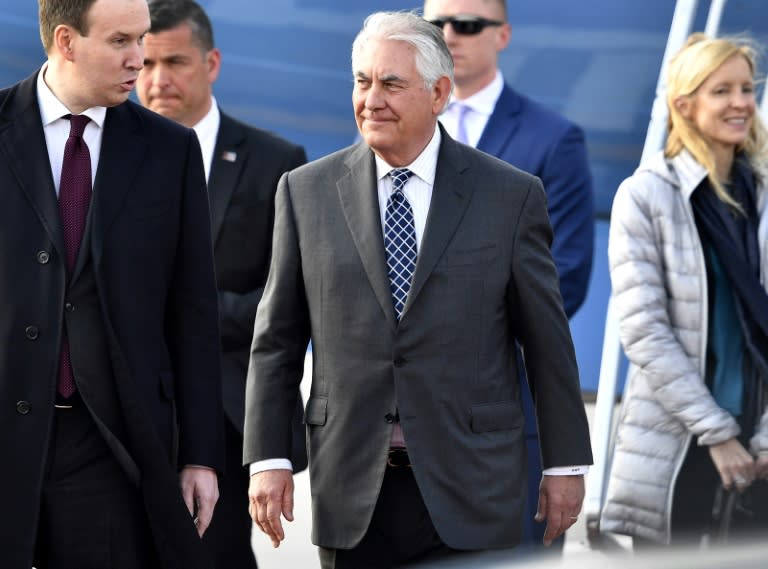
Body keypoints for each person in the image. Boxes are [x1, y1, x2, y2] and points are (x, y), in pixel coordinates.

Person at [244, 10, 592, 569]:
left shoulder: (509, 196)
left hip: (474, 485)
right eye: (362, 81)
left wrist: (565, 464)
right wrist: (267, 458)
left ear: (439, 94)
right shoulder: (305, 193)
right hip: (353, 489)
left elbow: (548, 341)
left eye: (391, 84)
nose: (372, 99)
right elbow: (277, 342)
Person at [0, 0, 225, 567]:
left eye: (141, 39)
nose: (139, 59)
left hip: (111, 446)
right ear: (67, 42)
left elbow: (193, 312)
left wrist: (200, 455)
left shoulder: (170, 150)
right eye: (121, 41)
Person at [136, 1, 308, 567]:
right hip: (126, 408)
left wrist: (184, 315)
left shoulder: (275, 162)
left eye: (175, 62)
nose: (158, 80)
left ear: (211, 63)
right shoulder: (105, 152)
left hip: (228, 416)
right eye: (145, 62)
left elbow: (288, 301)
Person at [422, 0, 595, 549]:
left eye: (468, 24)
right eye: (436, 24)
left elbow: (565, 276)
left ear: (503, 36)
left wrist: (449, 333)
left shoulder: (552, 139)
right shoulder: (388, 124)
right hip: (403, 419)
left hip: (506, 407)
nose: (450, 35)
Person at [601, 33, 768, 547]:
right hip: (677, 436)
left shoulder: (762, 194)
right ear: (684, 105)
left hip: (757, 427)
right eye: (721, 91)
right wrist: (716, 433)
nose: (740, 102)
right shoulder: (646, 195)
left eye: (746, 88)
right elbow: (644, 331)